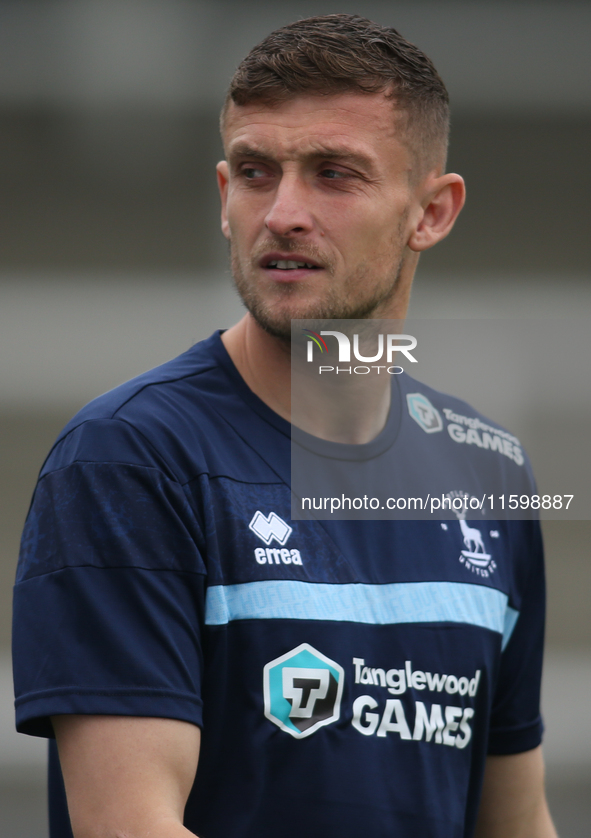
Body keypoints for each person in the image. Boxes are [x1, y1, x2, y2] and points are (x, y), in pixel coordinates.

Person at [13, 14, 557, 838]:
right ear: (225, 197)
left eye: (334, 174)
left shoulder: (487, 470)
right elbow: (130, 827)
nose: (284, 213)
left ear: (432, 212)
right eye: (257, 173)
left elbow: (514, 821)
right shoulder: (130, 460)